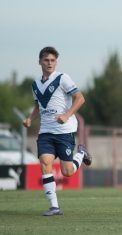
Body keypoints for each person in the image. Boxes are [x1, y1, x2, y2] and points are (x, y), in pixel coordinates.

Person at [23, 46, 92, 216]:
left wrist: (67, 115)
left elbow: (80, 98)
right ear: (39, 61)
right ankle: (54, 207)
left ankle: (81, 153)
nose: (49, 63)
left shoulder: (62, 78)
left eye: (53, 60)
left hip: (64, 131)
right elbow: (38, 105)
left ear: (56, 62)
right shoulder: (35, 84)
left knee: (67, 172)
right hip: (46, 132)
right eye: (46, 60)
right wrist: (30, 118)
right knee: (45, 163)